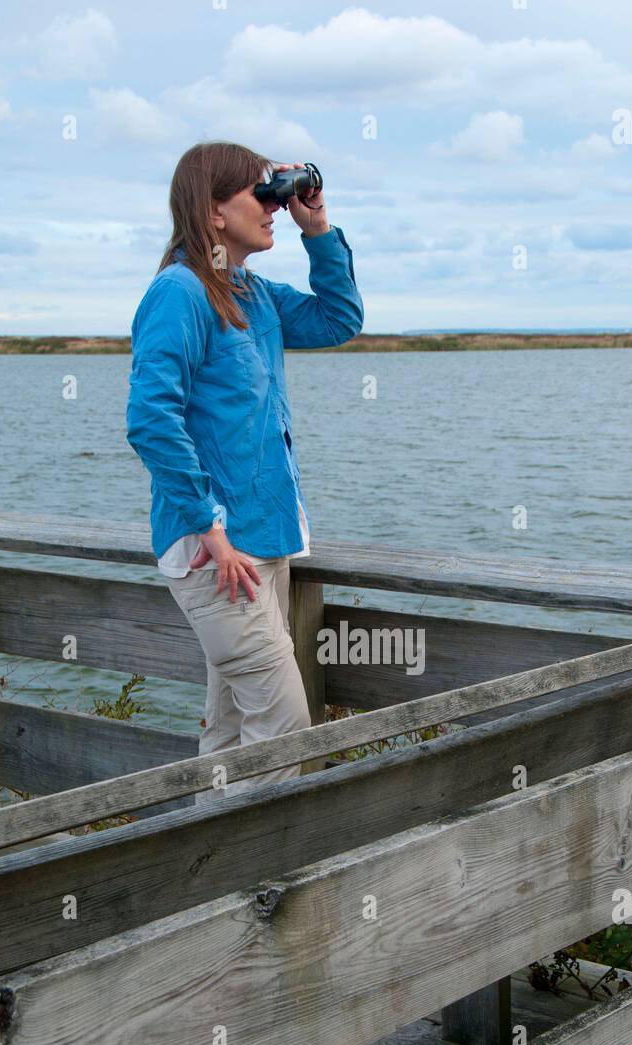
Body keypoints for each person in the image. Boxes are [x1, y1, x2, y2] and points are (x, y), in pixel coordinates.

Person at [126, 142, 364, 803]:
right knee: (283, 730)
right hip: (218, 550)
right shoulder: (179, 292)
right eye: (262, 195)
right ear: (211, 210)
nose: (275, 208)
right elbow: (151, 419)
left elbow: (339, 320)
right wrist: (210, 529)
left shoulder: (252, 294)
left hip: (261, 540)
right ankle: (262, 888)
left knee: (231, 732)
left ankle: (206, 877)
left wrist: (316, 229)